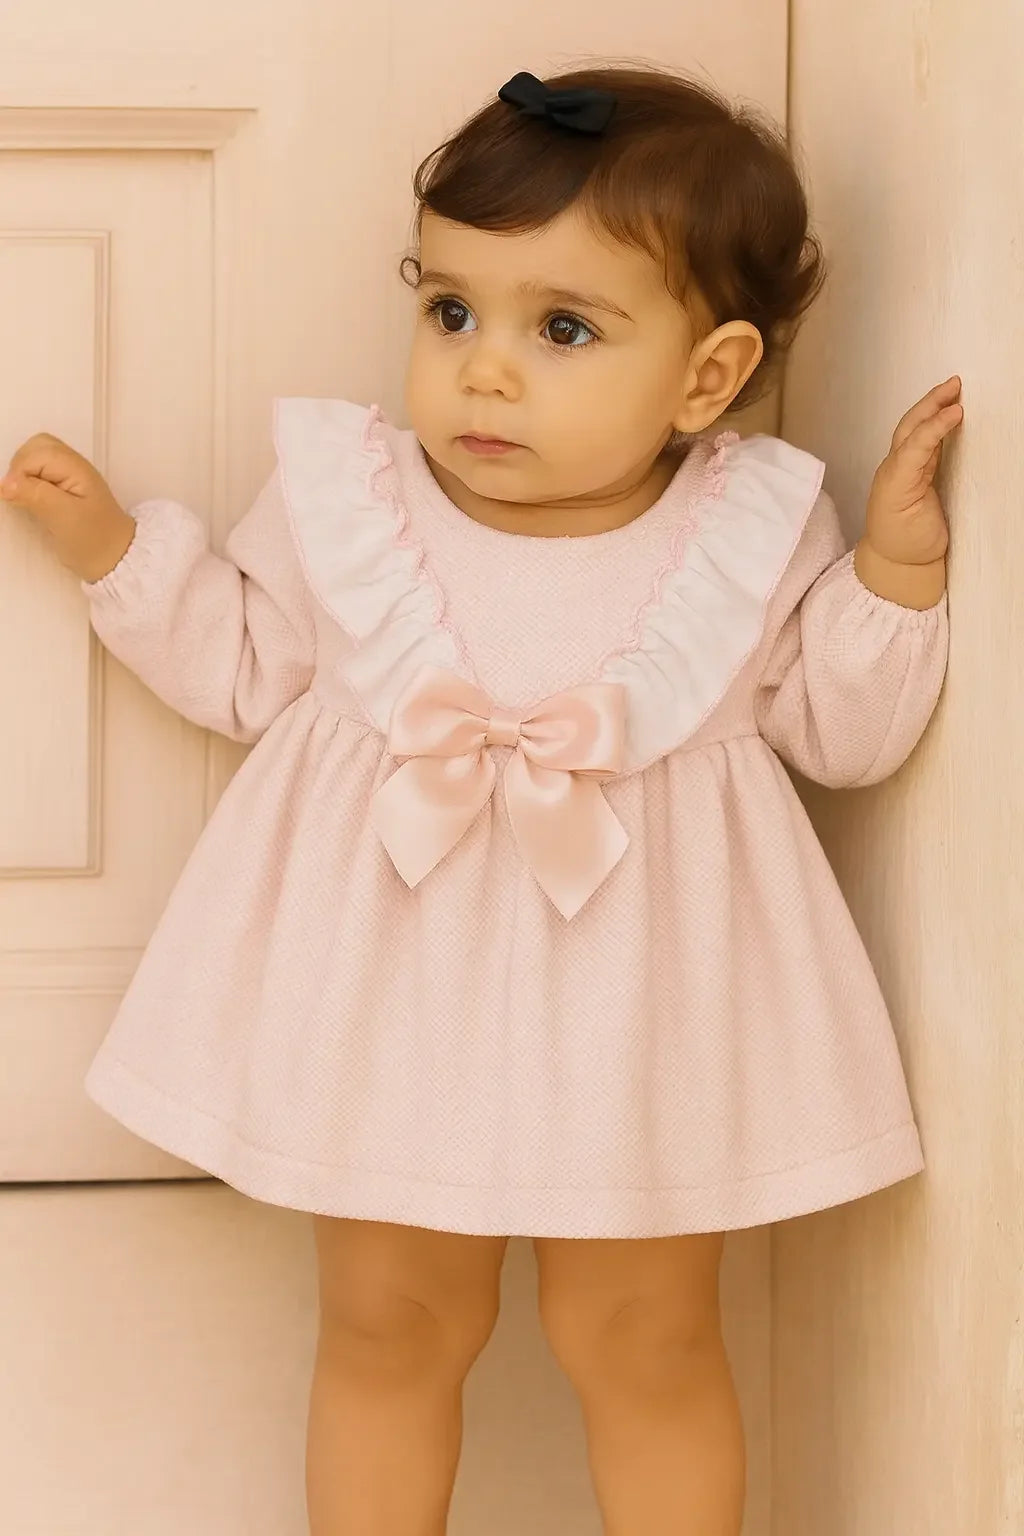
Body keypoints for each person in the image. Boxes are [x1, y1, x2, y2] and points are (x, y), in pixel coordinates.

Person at [1, 63, 962, 1536]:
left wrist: (896, 570)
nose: (483, 368)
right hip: (389, 1004)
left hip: (647, 1027)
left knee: (641, 1338)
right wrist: (114, 549)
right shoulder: (354, 507)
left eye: (561, 328)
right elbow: (254, 668)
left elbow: (842, 730)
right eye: (451, 310)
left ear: (707, 376)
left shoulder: (749, 530)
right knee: (389, 1325)